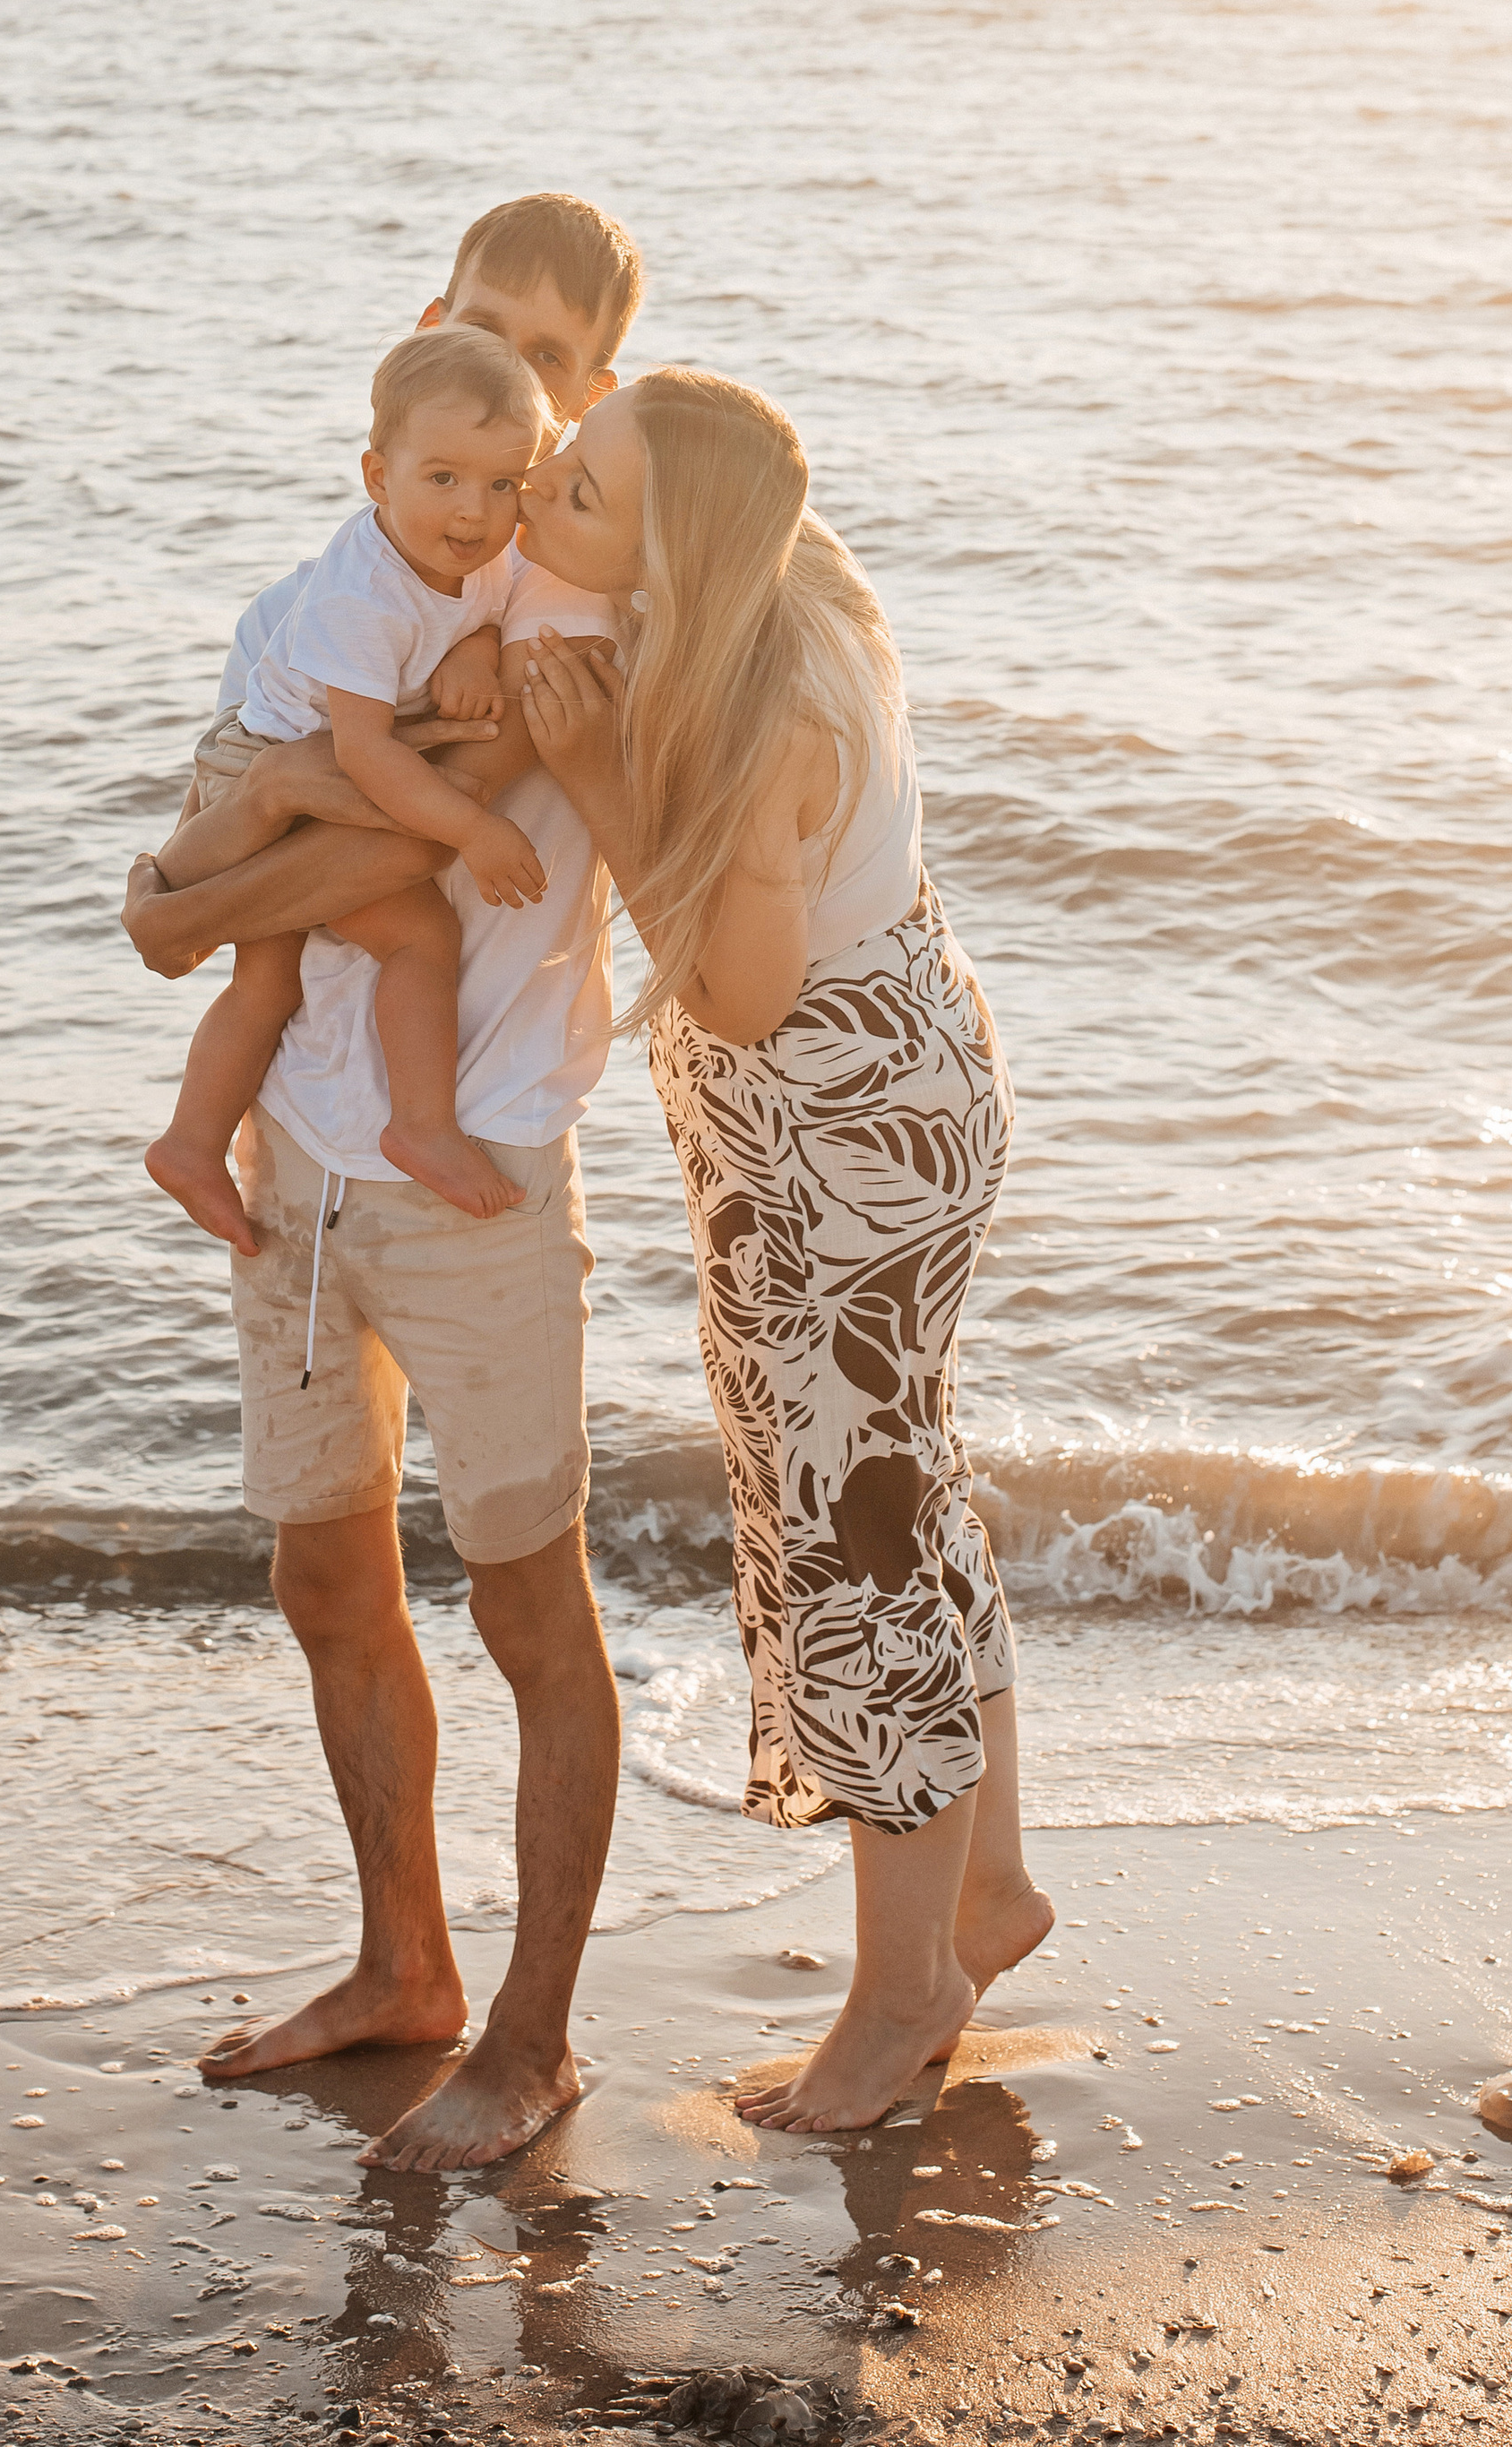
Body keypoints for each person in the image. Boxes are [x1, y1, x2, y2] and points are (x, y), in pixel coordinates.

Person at [119, 194, 644, 2172]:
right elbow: (189, 888)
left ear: (583, 406)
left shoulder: (555, 629)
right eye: (471, 329)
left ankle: (531, 2040)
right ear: (424, 341)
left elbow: (286, 881)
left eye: (543, 362)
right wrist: (218, 861)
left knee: (530, 1609)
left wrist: (223, 859)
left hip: (476, 1165)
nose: (502, 384)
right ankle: (402, 1969)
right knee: (325, 1567)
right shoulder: (331, 600)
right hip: (300, 1163)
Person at [516, 369, 1052, 2133]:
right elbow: (655, 439)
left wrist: (593, 769)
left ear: (679, 546)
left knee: (855, 1545)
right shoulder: (775, 569)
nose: (540, 496)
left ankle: (901, 2002)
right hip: (891, 1087)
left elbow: (738, 990)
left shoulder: (767, 709)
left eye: (578, 493)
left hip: (838, 1145)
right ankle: (980, 1891)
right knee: (904, 1493)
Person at [143, 324, 554, 1239]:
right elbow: (366, 754)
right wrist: (472, 832)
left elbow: (478, 605)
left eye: (502, 483)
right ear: (377, 477)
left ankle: (188, 1141)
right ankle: (420, 1123)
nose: (474, 513)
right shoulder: (359, 597)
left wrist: (482, 645)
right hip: (265, 769)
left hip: (318, 755)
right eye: (441, 477)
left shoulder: (478, 555)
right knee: (416, 937)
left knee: (269, 985)